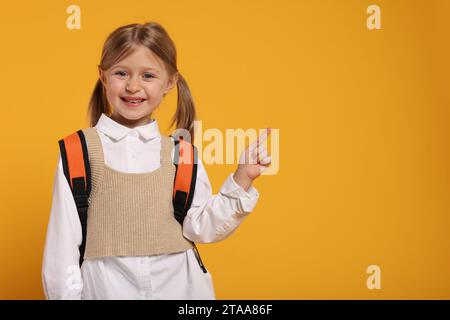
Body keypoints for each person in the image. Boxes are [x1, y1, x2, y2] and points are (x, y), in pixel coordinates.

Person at [42, 21, 272, 300]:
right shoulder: (77, 151)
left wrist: (242, 179)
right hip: (106, 290)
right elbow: (62, 248)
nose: (133, 86)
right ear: (103, 77)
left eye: (148, 75)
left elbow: (201, 225)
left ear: (170, 82)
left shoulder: (182, 153)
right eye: (121, 73)